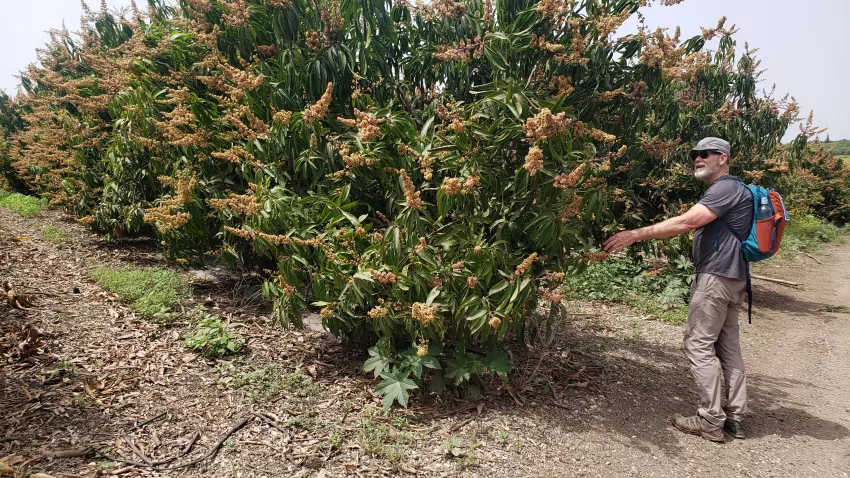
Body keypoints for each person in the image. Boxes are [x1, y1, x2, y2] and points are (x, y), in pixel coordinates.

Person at [603, 137, 752, 443]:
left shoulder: (725, 188)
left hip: (716, 279)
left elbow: (688, 222)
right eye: (695, 154)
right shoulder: (736, 189)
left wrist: (635, 234)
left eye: (705, 154)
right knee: (727, 348)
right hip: (735, 278)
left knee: (698, 344)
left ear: (722, 158)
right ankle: (735, 417)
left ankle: (711, 420)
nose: (697, 158)